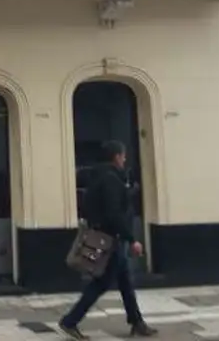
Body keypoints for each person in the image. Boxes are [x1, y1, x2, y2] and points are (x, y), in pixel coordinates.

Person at [59, 141, 157, 339]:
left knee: (125, 282)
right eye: (123, 155)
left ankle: (137, 322)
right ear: (116, 157)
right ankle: (70, 321)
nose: (125, 159)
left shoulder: (97, 178)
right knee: (101, 283)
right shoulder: (111, 180)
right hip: (111, 240)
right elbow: (114, 213)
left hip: (108, 237)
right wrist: (132, 239)